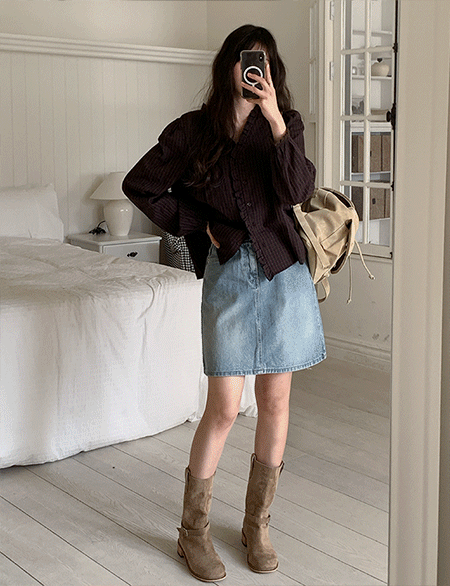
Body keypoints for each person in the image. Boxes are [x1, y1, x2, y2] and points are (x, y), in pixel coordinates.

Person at [122, 24, 326, 583]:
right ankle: (192, 533)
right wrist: (196, 221)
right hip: (230, 273)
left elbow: (299, 192)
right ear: (228, 65)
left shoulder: (285, 124)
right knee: (224, 408)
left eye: (265, 61)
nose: (256, 69)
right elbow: (141, 185)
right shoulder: (193, 131)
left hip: (284, 273)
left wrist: (276, 120)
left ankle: (257, 526)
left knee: (276, 402)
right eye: (247, 59)